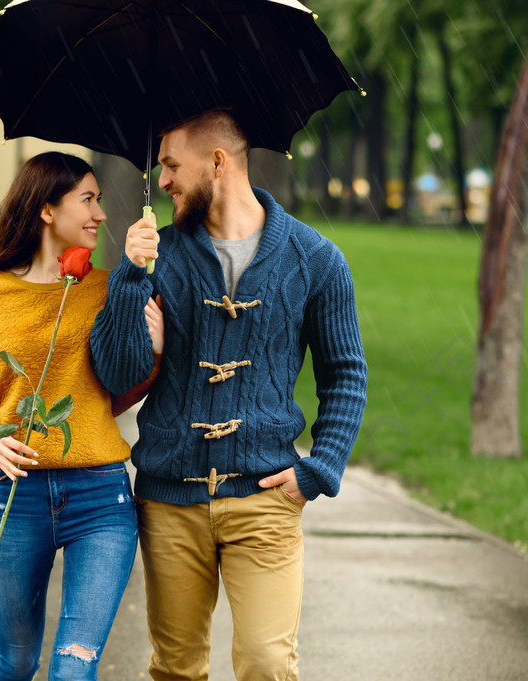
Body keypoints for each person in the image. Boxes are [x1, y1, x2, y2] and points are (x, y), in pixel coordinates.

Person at [89, 111, 368, 681]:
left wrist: (320, 467)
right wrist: (130, 276)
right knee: (176, 669)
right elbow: (117, 374)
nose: (162, 180)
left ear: (217, 161)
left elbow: (345, 374)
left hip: (266, 499)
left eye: (171, 165)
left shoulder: (316, 260)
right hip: (170, 500)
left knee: (267, 665)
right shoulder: (158, 255)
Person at [0, 151, 164, 681]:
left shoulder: (110, 288)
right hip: (15, 500)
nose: (101, 214)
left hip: (100, 499)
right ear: (47, 210)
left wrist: (153, 356)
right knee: (17, 662)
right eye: (87, 200)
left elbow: (111, 392)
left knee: (73, 669)